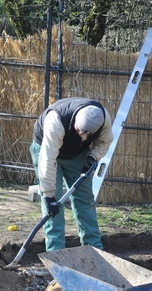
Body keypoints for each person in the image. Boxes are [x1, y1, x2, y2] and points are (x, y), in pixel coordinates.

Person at [29, 97, 113, 252]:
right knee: (54, 204)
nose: (79, 132)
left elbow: (105, 142)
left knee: (84, 199)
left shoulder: (103, 121)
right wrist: (48, 195)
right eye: (77, 129)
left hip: (76, 154)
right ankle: (56, 253)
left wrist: (92, 157)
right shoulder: (56, 121)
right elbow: (47, 159)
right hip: (46, 149)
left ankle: (94, 249)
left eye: (84, 133)